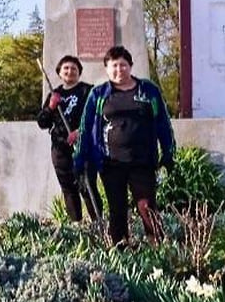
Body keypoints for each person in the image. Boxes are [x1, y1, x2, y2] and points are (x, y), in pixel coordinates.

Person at [74, 46, 175, 245]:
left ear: (130, 66)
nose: (119, 70)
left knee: (147, 206)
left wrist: (168, 152)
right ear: (107, 69)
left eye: (123, 65)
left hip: (143, 161)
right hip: (111, 163)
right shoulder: (99, 94)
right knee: (117, 208)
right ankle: (120, 248)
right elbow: (85, 128)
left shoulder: (148, 91)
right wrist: (80, 161)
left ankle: (158, 248)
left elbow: (163, 123)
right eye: (114, 66)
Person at [37, 54, 99, 222]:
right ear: (59, 72)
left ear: (79, 72)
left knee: (87, 187)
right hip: (60, 149)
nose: (70, 71)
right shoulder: (54, 94)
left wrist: (80, 132)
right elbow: (42, 122)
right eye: (66, 68)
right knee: (68, 189)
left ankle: (98, 225)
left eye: (74, 68)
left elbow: (97, 116)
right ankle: (76, 225)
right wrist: (50, 107)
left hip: (83, 147)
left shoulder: (88, 91)